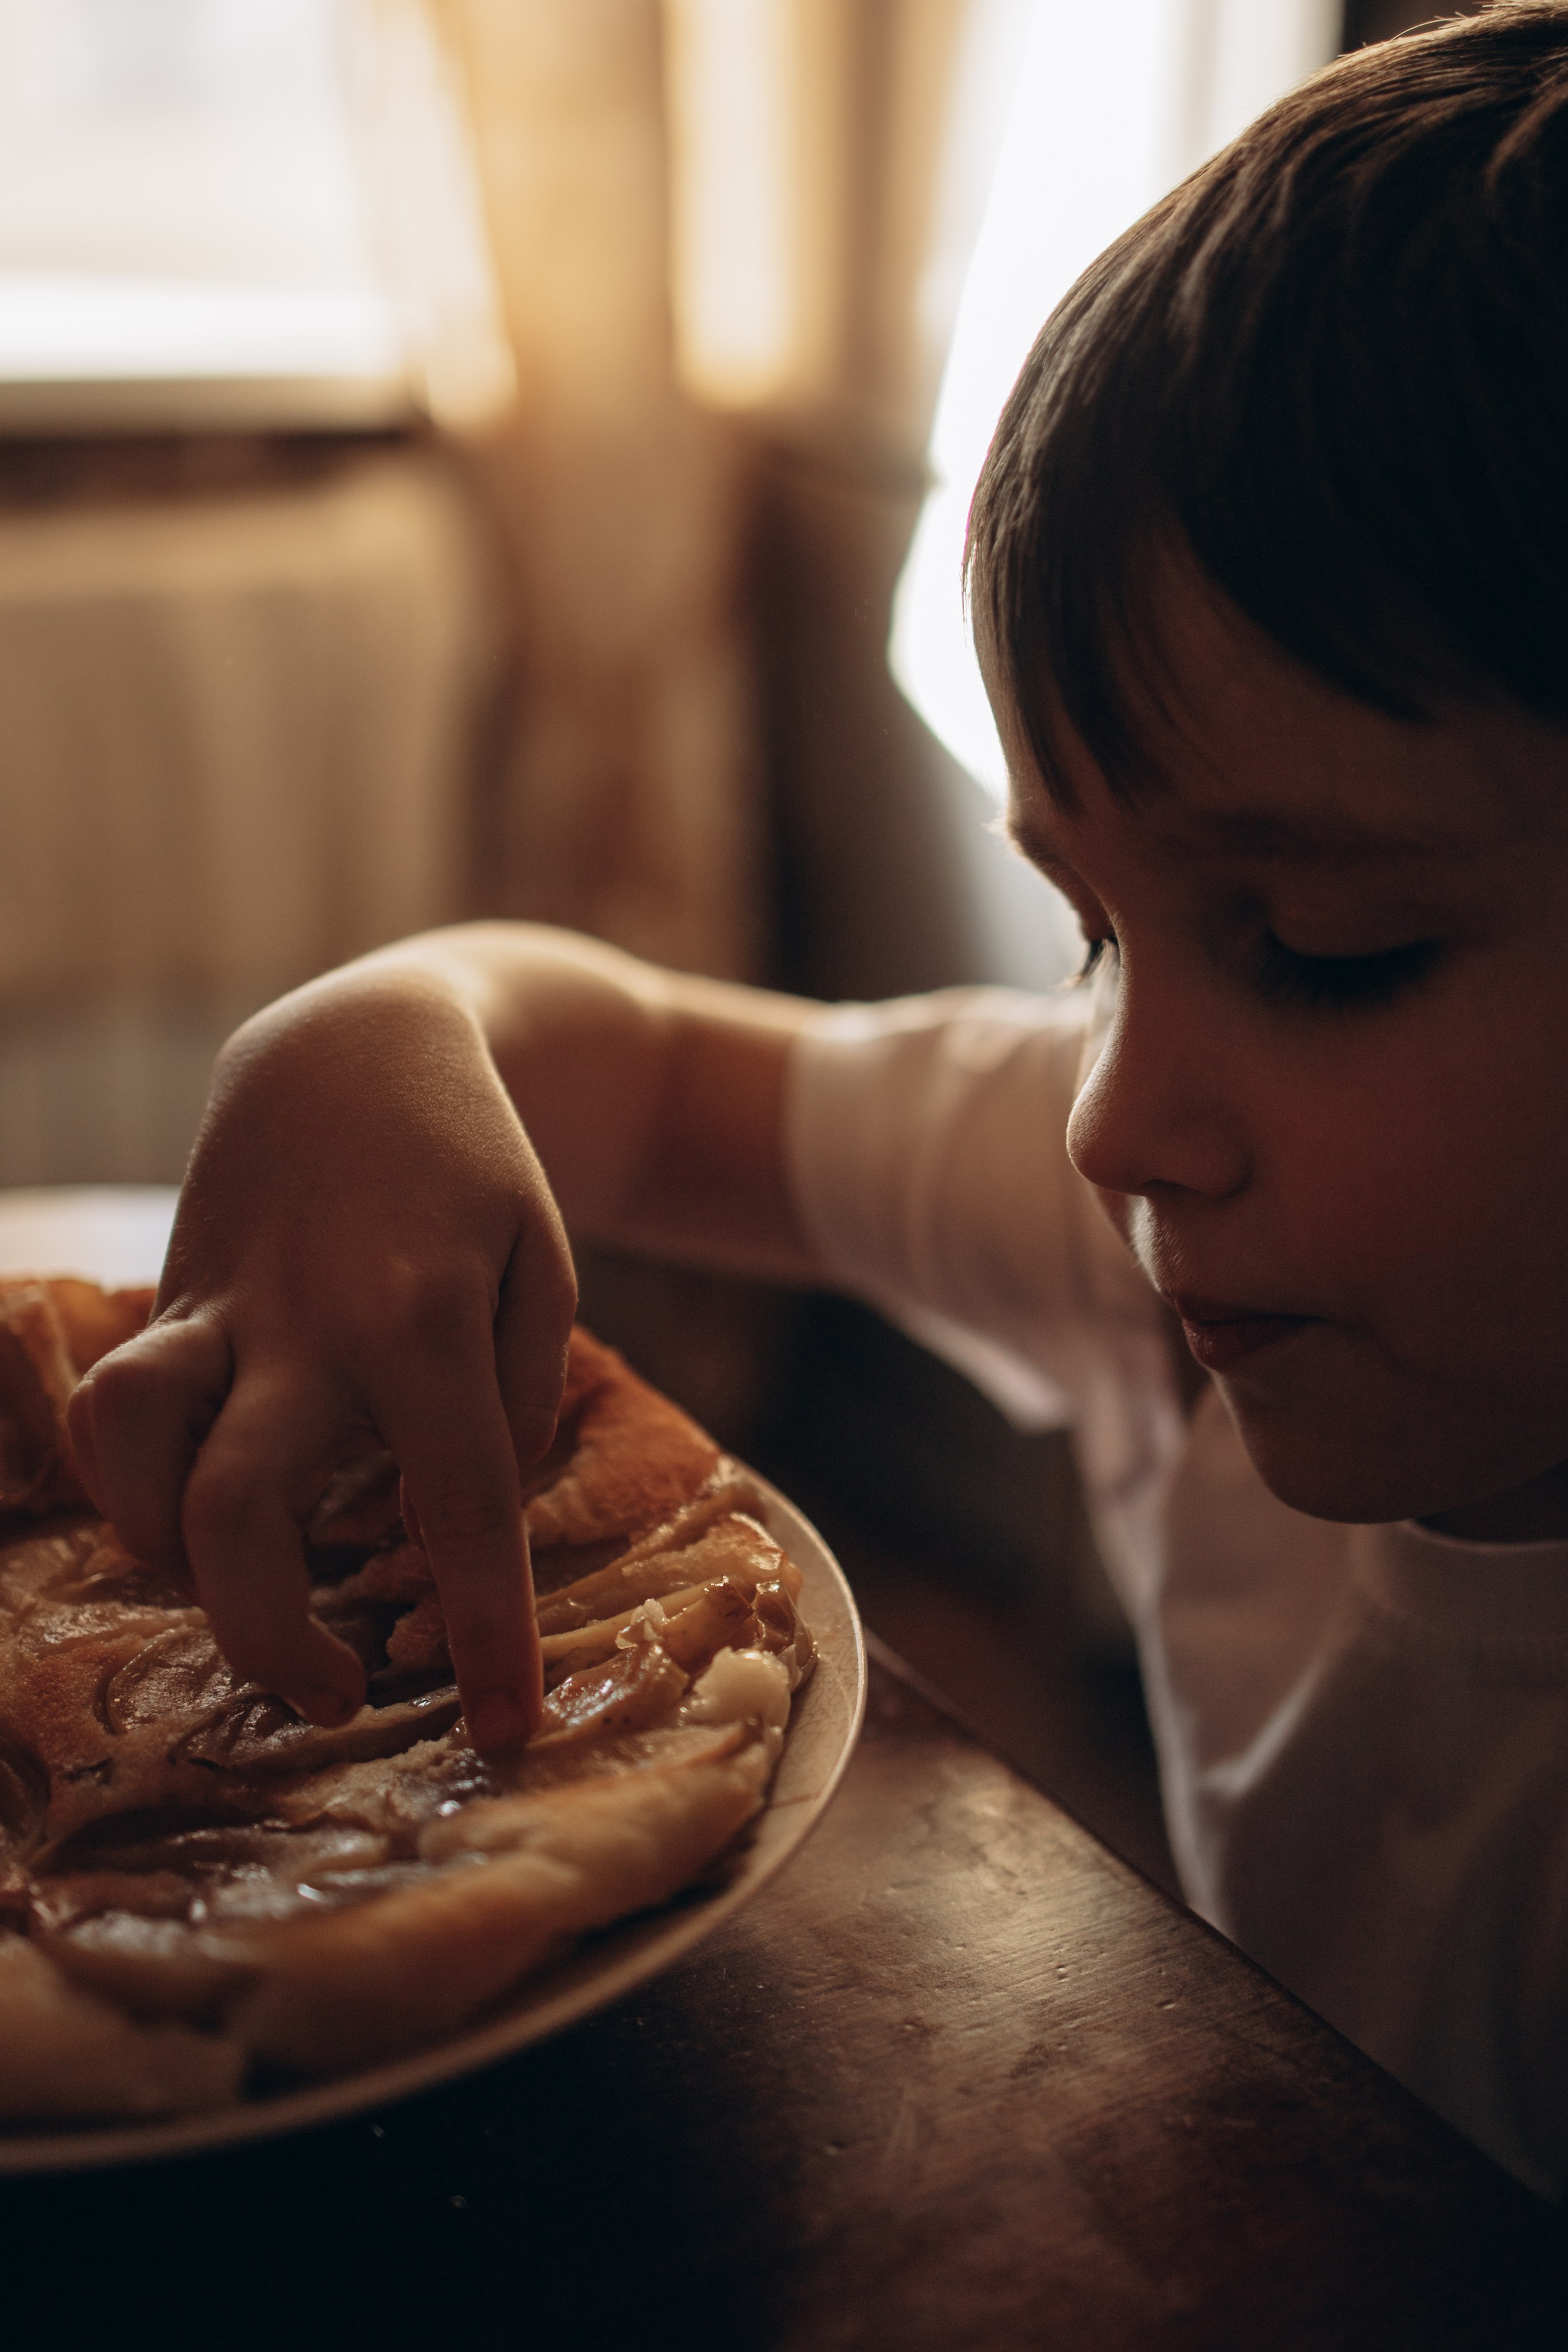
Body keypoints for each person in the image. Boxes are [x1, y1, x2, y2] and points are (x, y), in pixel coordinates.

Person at [66, 4, 1568, 2196]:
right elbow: (650, 1078)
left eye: (1329, 954)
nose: (1111, 1119)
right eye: (1097, 932)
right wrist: (374, 1038)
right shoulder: (1192, 1241)